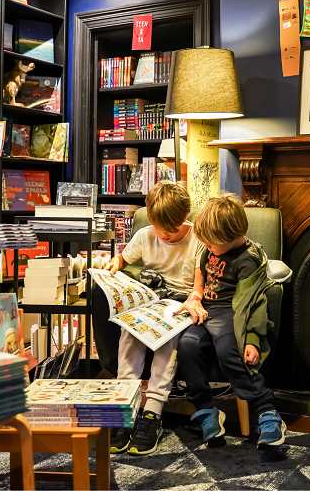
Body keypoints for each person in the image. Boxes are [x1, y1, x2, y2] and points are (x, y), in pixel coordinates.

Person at [93, 181, 204, 456]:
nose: (165, 235)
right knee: (130, 333)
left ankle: (152, 413)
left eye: (173, 229)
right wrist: (114, 266)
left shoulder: (198, 239)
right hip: (150, 300)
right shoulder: (144, 236)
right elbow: (123, 258)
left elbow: (199, 285)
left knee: (167, 341)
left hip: (179, 305)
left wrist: (196, 297)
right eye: (159, 228)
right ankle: (124, 409)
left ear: (185, 218)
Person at [176, 193, 287, 448]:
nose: (206, 245)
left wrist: (252, 341)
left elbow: (255, 303)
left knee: (229, 351)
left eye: (211, 242)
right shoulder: (210, 248)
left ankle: (266, 411)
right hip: (205, 311)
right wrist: (195, 296)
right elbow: (200, 276)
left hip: (231, 314)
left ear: (229, 236)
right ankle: (206, 410)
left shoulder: (247, 259)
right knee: (187, 346)